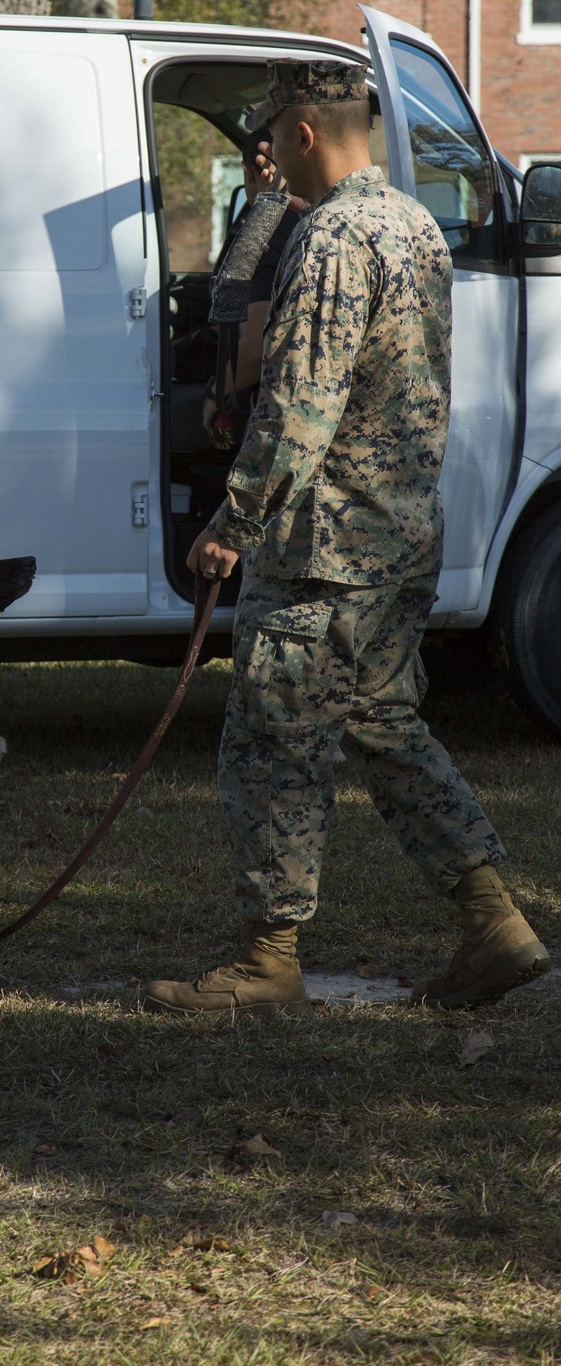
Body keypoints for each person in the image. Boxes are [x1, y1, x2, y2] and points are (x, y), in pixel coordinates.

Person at [143, 59, 551, 1017]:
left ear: (306, 132)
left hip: (325, 549)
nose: (268, 156)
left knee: (270, 746)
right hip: (399, 533)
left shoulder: (330, 238)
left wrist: (232, 521)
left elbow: (302, 407)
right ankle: (497, 927)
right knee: (382, 725)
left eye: (272, 134)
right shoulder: (412, 224)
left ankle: (267, 962)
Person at [202, 126, 304, 450]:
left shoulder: (269, 235)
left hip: (278, 428)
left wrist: (215, 394)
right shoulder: (313, 224)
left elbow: (255, 348)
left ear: (251, 172)